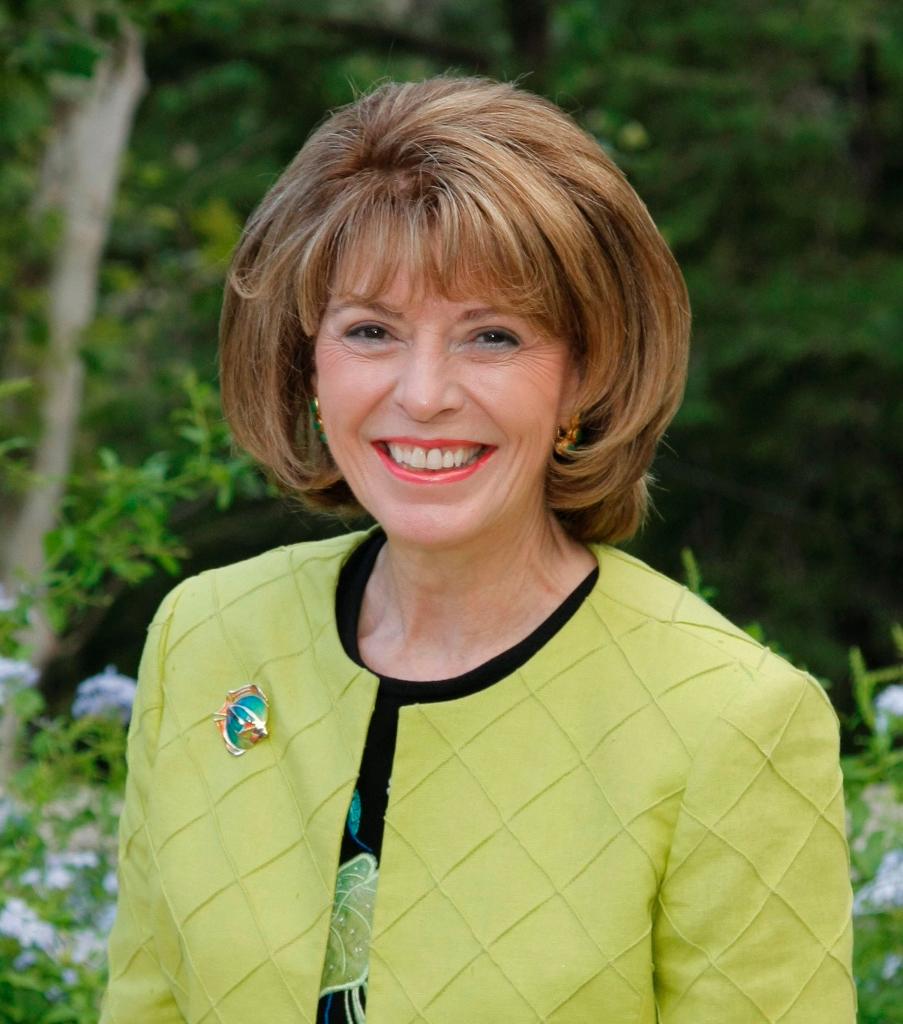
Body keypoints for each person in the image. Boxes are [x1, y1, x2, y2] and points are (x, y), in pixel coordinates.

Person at [101, 77, 855, 1024]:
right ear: (308, 363)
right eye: (370, 331)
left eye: (491, 337)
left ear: (584, 373)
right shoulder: (203, 636)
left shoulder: (733, 720)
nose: (423, 394)